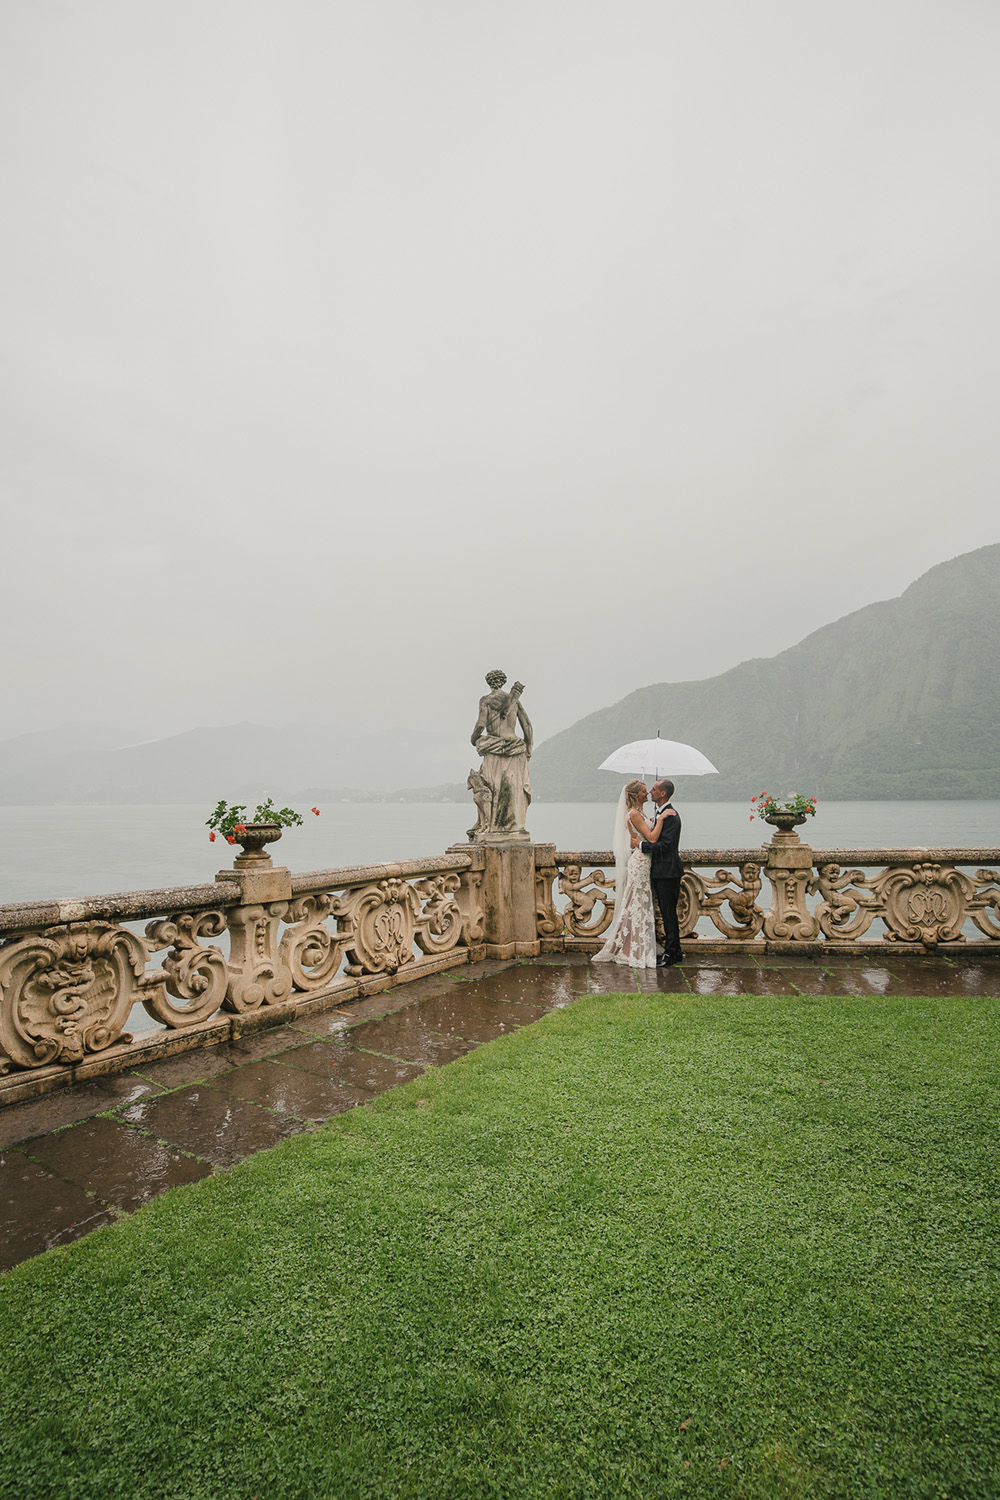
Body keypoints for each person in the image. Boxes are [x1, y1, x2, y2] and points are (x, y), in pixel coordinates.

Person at [592, 779, 676, 968]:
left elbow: (643, 836)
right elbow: (653, 839)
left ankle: (635, 946)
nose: (647, 794)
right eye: (645, 791)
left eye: (649, 790)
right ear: (635, 795)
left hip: (645, 862)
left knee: (639, 905)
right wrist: (661, 820)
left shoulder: (640, 813)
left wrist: (653, 823)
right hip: (640, 863)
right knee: (637, 905)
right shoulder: (633, 814)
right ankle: (631, 949)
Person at [640, 778, 684, 966]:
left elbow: (665, 845)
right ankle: (674, 951)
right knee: (665, 913)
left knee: (668, 914)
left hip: (668, 871)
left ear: (663, 793)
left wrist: (641, 845)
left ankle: (672, 953)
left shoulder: (671, 815)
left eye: (654, 789)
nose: (651, 791)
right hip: (661, 871)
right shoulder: (661, 813)